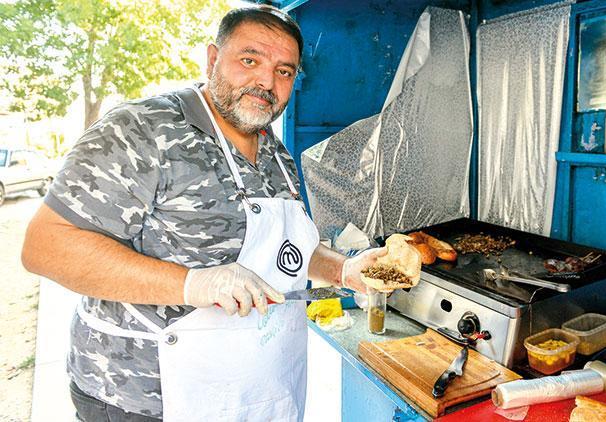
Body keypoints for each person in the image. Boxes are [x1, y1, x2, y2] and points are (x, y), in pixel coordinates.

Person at [21, 5, 384, 421]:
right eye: (250, 60)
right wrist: (193, 284)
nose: (266, 81)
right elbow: (46, 246)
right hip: (143, 401)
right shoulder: (143, 129)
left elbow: (289, 250)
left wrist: (344, 271)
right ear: (213, 59)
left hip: (255, 396)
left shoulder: (275, 153)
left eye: (284, 71)